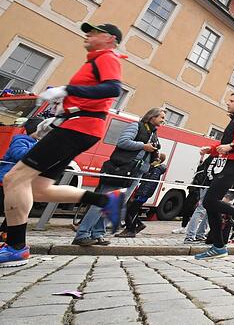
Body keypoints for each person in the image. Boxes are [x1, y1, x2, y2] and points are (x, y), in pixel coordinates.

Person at [0, 23, 127, 267]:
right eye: (87, 31)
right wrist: (59, 115)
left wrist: (66, 89)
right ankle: (104, 201)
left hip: (79, 128)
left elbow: (113, 88)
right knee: (39, 189)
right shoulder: (96, 60)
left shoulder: (107, 57)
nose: (87, 35)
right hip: (75, 125)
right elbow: (89, 99)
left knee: (14, 179)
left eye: (94, 32)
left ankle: (16, 246)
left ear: (110, 39)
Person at [73, 107, 165, 246]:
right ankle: (82, 234)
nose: (163, 120)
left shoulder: (153, 133)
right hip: (121, 169)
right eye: (161, 117)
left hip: (136, 172)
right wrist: (143, 146)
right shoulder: (137, 126)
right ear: (152, 117)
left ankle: (98, 234)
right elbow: (123, 141)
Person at [194, 92, 234, 260]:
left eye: (231, 100)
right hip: (231, 162)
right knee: (210, 204)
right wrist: (212, 149)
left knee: (209, 201)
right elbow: (226, 144)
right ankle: (218, 247)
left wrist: (231, 145)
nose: (227, 103)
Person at [0, 117, 44, 241]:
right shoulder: (20, 140)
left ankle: (5, 232)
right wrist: (40, 151)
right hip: (7, 179)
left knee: (18, 208)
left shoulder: (34, 143)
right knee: (11, 207)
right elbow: (18, 154)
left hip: (21, 181)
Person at [116, 153, 167, 237]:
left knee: (130, 210)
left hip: (143, 194)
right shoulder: (153, 168)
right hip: (142, 193)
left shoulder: (156, 170)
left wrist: (140, 194)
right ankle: (137, 225)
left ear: (158, 160)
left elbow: (150, 183)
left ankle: (131, 230)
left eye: (154, 159)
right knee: (131, 210)